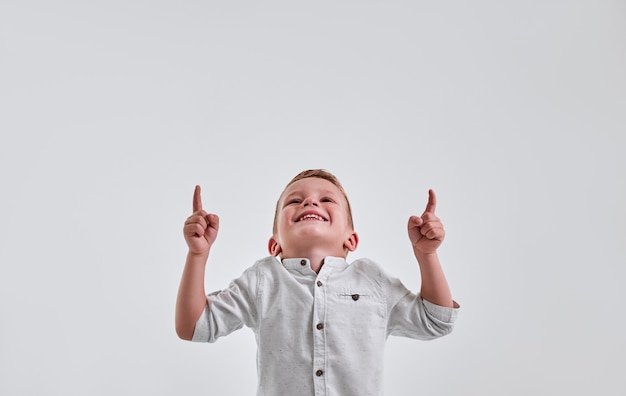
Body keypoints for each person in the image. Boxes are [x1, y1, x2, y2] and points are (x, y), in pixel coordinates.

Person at [175, 169, 459, 396]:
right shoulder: (262, 280)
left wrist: (427, 254)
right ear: (274, 245)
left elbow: (436, 320)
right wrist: (198, 254)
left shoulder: (372, 280)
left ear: (351, 240)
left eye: (326, 200)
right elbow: (194, 326)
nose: (310, 202)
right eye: (295, 201)